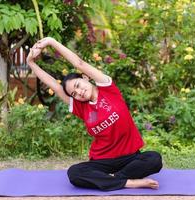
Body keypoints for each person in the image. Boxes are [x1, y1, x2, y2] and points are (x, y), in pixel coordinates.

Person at [26, 37, 163, 191]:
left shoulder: (107, 88)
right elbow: (55, 87)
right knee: (74, 173)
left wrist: (51, 41)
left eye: (78, 85)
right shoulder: (80, 107)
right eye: (74, 93)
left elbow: (79, 64)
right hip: (104, 160)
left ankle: (114, 179)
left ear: (85, 77)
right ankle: (128, 182)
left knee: (154, 159)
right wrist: (31, 63)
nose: (79, 92)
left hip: (130, 156)